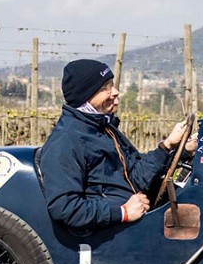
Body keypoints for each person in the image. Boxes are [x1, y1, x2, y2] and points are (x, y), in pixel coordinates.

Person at [38, 58, 195, 234]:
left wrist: (172, 147)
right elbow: (65, 207)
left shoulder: (103, 128)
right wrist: (123, 212)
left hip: (138, 214)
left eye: (112, 85)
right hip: (112, 232)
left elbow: (135, 176)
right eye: (105, 87)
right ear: (86, 95)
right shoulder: (66, 141)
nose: (115, 92)